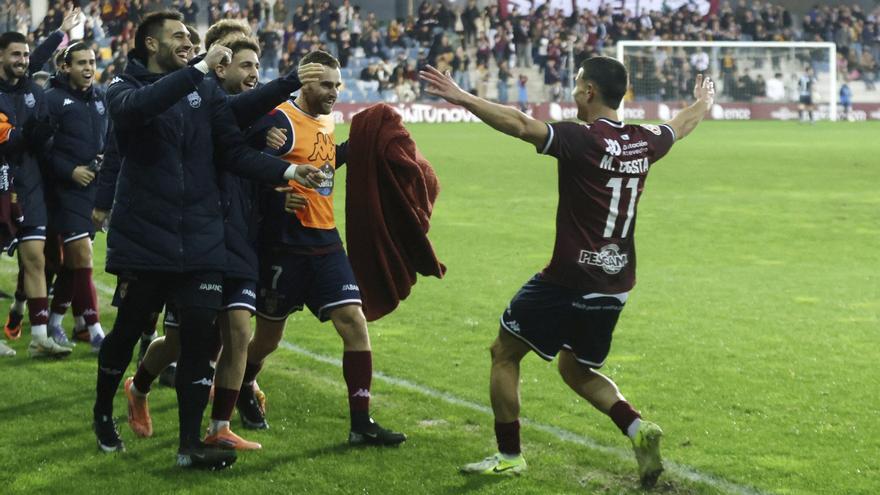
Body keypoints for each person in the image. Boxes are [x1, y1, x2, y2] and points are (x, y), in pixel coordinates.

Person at [419, 56, 714, 487]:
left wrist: (461, 97)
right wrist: (703, 101)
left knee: (503, 352)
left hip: (568, 278)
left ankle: (509, 455)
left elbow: (520, 125)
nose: (573, 91)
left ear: (590, 91)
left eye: (577, 84)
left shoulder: (580, 138)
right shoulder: (644, 140)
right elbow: (682, 125)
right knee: (575, 369)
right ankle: (637, 428)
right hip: (617, 281)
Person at [91, 11, 323, 469]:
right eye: (178, 36)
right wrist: (198, 68)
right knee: (127, 330)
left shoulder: (203, 93)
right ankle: (103, 412)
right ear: (150, 45)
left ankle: (188, 445)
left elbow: (234, 147)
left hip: (199, 241)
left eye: (190, 37)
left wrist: (290, 170)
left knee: (200, 342)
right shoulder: (123, 88)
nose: (188, 41)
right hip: (146, 239)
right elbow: (138, 110)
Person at [239, 50, 406, 447]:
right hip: (284, 245)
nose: (334, 92)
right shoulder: (278, 120)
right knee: (267, 340)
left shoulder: (327, 119)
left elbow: (325, 164)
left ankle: (361, 422)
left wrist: (360, 146)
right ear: (306, 83)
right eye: (326, 85)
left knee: (353, 321)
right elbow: (246, 170)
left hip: (326, 240)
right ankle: (243, 385)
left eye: (337, 85)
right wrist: (278, 198)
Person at [44, 42, 108, 354]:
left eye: (91, 61)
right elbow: (41, 150)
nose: (87, 68)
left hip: (92, 189)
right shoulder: (52, 99)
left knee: (73, 264)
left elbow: (108, 140)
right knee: (82, 255)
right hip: (63, 191)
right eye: (80, 62)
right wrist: (70, 171)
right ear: (65, 67)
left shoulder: (100, 97)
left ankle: (56, 320)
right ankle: (95, 331)